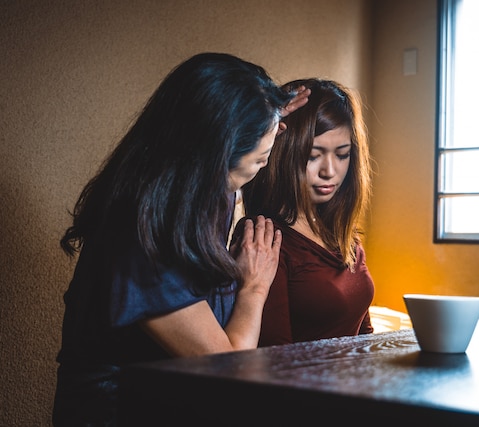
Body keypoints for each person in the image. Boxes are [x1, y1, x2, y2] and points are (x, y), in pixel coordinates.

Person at [52, 52, 309, 426]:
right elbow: (227, 373)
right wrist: (254, 288)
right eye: (258, 159)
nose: (266, 165)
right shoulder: (146, 237)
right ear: (215, 156)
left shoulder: (192, 191)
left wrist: (266, 112)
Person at [240, 78, 375, 346]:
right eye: (314, 155)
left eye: (342, 154)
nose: (329, 171)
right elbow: (274, 358)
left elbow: (364, 338)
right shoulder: (265, 240)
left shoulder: (345, 235)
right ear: (285, 153)